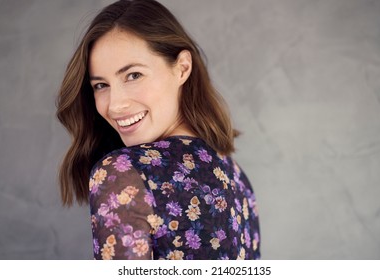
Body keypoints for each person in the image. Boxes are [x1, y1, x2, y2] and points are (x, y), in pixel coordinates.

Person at [56, 0, 260, 260]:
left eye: (133, 75)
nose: (116, 105)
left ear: (182, 68)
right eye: (100, 85)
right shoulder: (236, 176)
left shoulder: (121, 173)